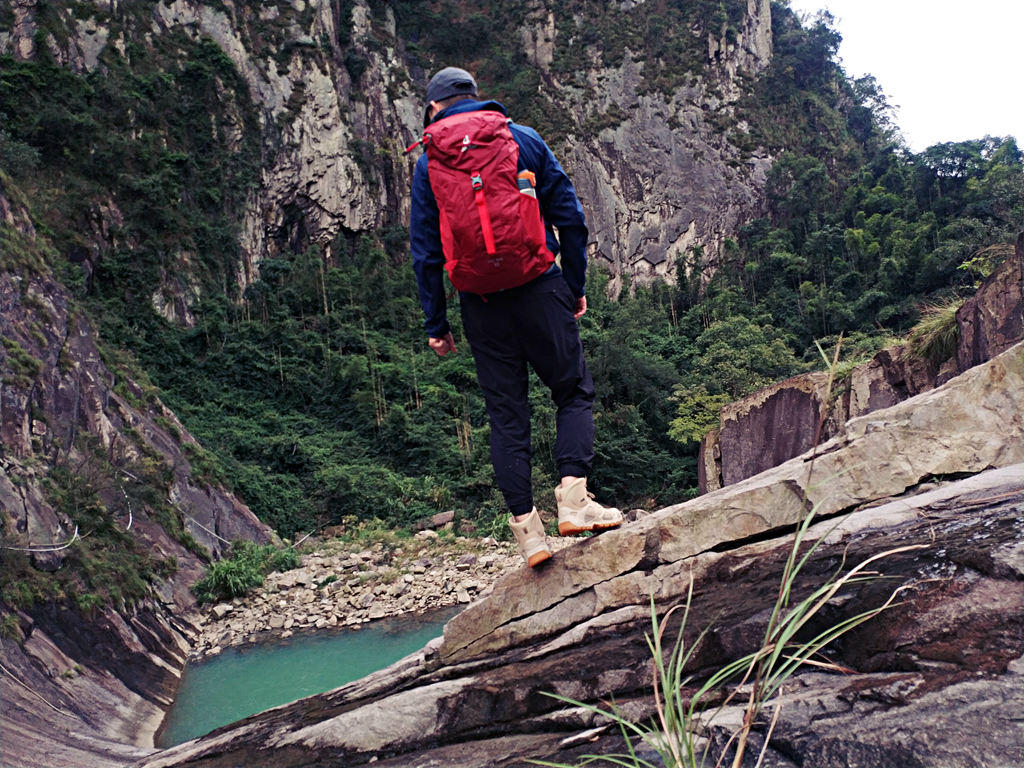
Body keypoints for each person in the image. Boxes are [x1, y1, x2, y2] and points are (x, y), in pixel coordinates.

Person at [409, 66, 622, 567]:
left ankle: (530, 537)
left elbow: (424, 252)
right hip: (539, 286)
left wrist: (435, 324)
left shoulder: (429, 163)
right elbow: (570, 217)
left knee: (507, 416)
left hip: (481, 303)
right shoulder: (521, 139)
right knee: (571, 390)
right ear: (476, 98)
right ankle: (573, 501)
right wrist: (573, 288)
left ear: (435, 108)